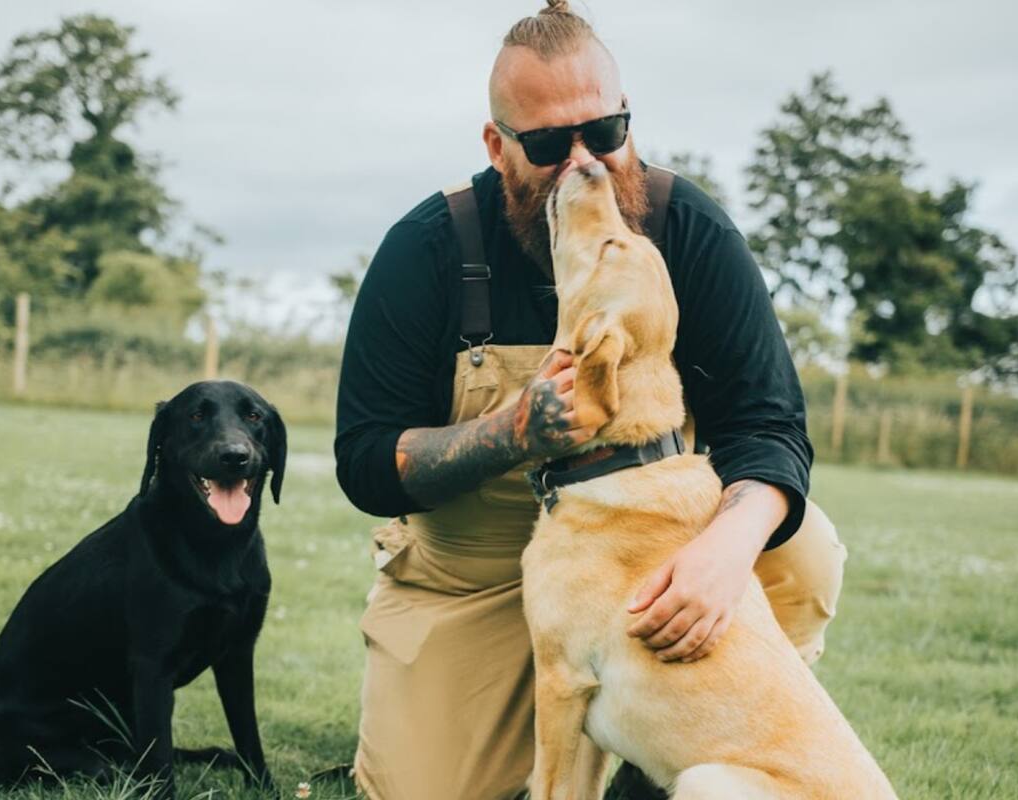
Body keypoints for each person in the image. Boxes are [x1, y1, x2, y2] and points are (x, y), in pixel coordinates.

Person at [334, 3, 846, 798]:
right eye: (547, 145)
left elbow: (768, 423)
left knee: (798, 546)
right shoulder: (430, 246)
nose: (584, 165)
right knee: (424, 790)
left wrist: (724, 551)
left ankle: (670, 750)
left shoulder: (690, 230)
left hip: (647, 548)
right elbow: (366, 459)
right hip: (476, 568)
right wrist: (513, 431)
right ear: (496, 145)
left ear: (626, 116)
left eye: (604, 133)